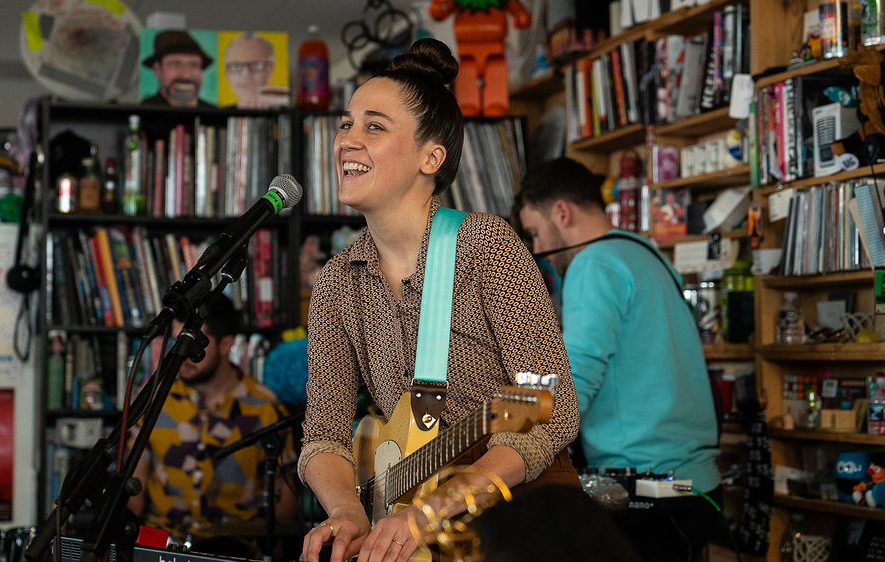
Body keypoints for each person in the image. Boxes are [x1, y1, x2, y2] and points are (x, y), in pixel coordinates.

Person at [299, 38, 580, 562]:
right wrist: (347, 511)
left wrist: (434, 507)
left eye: (374, 126)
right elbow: (324, 436)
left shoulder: (485, 246)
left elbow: (550, 404)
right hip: (415, 523)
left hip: (522, 520)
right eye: (345, 123)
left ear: (432, 157)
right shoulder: (337, 282)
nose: (346, 140)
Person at [515, 157, 722, 562]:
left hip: (652, 491)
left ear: (562, 212)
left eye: (535, 234)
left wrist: (499, 418)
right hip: (693, 485)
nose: (537, 250)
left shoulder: (593, 263)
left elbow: (572, 385)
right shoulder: (645, 252)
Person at [128, 294, 296, 557]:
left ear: (226, 344)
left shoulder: (264, 408)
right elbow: (133, 485)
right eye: (177, 341)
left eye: (193, 344)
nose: (181, 354)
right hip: (160, 547)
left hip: (233, 550)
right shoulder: (155, 400)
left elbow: (285, 504)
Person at [141, 30, 217, 109]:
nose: (185, 74)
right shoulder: (143, 114)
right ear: (157, 70)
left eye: (193, 65)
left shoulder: (215, 117)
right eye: (175, 64)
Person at [223, 34, 288, 109]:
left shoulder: (282, 111)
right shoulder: (218, 117)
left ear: (270, 70)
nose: (246, 74)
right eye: (236, 66)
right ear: (226, 71)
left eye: (255, 65)